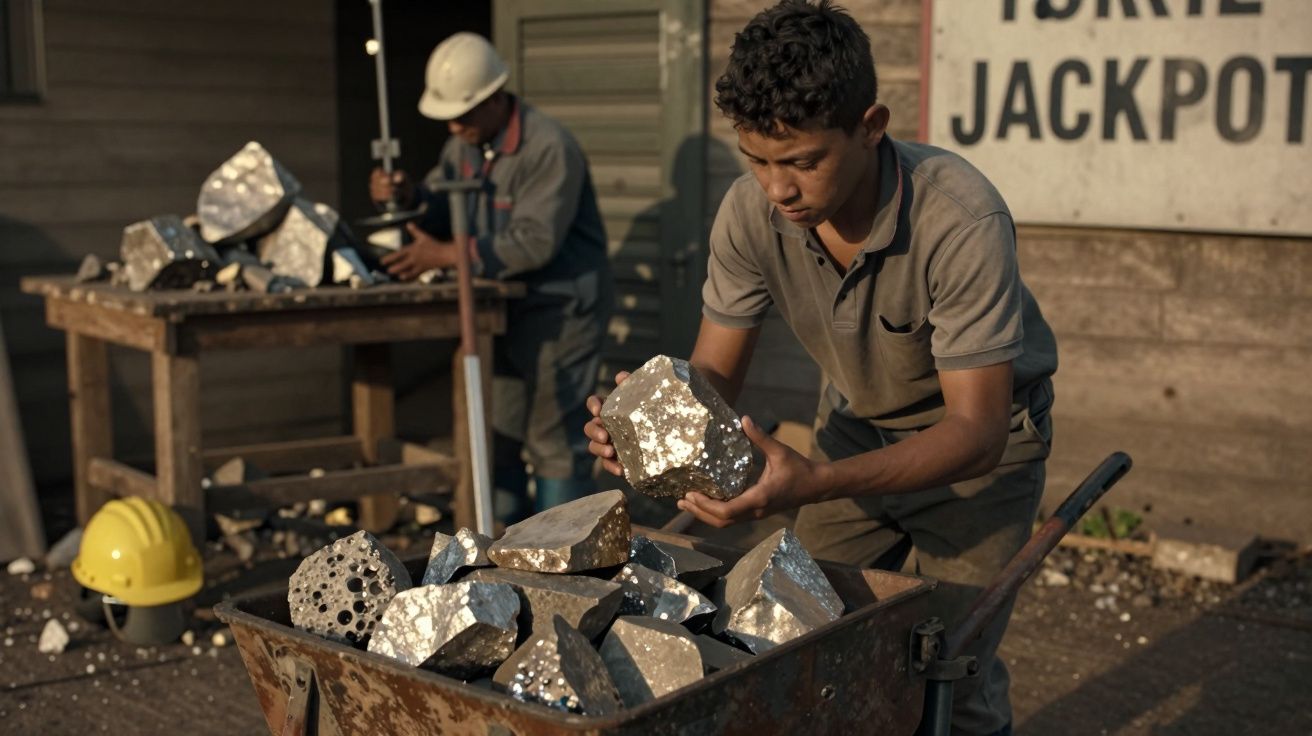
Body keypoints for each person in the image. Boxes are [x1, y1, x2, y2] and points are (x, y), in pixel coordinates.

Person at [583, 3, 1057, 734]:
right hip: (855, 427)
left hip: (979, 460)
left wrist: (815, 481)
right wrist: (650, 423)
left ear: (871, 125)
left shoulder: (960, 219)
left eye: (803, 161)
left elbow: (979, 429)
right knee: (800, 635)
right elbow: (713, 373)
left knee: (949, 664)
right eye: (758, 159)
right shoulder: (750, 215)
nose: (778, 188)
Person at [372, 32, 611, 522]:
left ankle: (563, 553)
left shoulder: (548, 148)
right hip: (501, 311)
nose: (455, 125)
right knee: (498, 432)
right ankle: (504, 547)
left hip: (560, 311)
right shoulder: (462, 145)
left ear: (496, 97)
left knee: (553, 438)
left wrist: (445, 255)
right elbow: (441, 208)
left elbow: (533, 242)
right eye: (448, 118)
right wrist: (406, 195)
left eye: (463, 114)